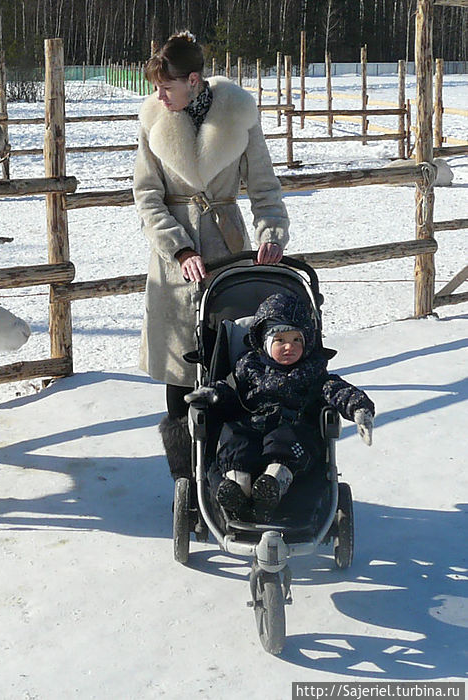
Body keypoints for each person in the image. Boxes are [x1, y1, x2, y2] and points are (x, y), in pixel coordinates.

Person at [132, 31, 290, 482]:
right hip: (173, 263)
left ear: (195, 80)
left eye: (167, 86)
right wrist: (178, 247)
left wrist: (272, 233)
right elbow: (146, 196)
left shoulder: (239, 115)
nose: (159, 95)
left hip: (228, 251)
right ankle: (186, 480)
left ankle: (233, 470)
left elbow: (264, 187)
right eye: (156, 87)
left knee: (233, 363)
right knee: (181, 371)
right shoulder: (151, 120)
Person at [207, 291, 375, 519]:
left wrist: (359, 409)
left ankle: (275, 483)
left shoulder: (312, 373)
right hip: (251, 424)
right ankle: (238, 484)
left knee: (288, 438)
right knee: (234, 434)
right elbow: (228, 389)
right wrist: (211, 394)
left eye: (297, 340)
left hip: (292, 430)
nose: (290, 347)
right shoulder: (246, 370)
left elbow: (337, 390)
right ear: (264, 344)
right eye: (280, 340)